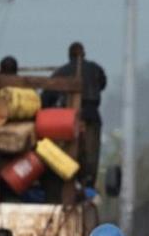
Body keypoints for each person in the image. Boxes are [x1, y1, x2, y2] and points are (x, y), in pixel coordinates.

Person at [41, 42, 107, 188]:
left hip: (67, 120)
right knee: (91, 155)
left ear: (69, 56)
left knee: (65, 156)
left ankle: (64, 183)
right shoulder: (96, 69)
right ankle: (87, 185)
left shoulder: (60, 72)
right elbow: (102, 84)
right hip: (91, 115)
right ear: (84, 54)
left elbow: (45, 99)